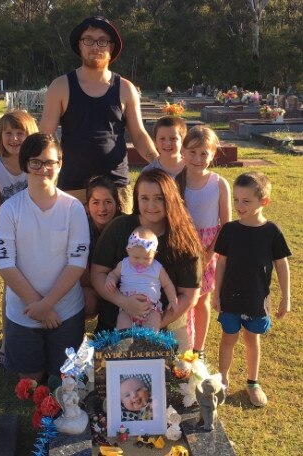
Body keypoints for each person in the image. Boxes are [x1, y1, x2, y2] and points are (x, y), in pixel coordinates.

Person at [0, 133, 90, 382]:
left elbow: (77, 263)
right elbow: (5, 264)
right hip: (24, 312)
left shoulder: (73, 208)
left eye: (50, 162)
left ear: (60, 164)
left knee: (63, 382)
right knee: (32, 381)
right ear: (25, 164)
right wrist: (37, 307)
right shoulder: (9, 209)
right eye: (35, 162)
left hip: (65, 310)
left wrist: (47, 305)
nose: (43, 169)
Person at [39, 16, 159, 213]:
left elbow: (138, 134)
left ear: (111, 48)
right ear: (80, 45)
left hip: (116, 186)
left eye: (102, 41)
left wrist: (159, 163)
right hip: (73, 186)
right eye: (88, 39)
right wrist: (42, 169)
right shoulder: (60, 86)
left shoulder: (126, 89)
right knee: (74, 244)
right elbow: (45, 136)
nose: (95, 46)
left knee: (119, 243)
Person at [91, 169, 203, 351]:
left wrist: (153, 323)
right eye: (144, 198)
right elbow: (98, 274)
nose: (151, 205)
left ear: (170, 199)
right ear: (136, 199)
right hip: (117, 321)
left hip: (167, 325)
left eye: (159, 198)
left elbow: (189, 296)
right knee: (107, 375)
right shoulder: (118, 228)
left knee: (178, 376)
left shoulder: (185, 239)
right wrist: (124, 302)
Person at [212, 172, 291, 407]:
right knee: (228, 338)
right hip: (230, 299)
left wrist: (286, 297)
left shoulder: (272, 232)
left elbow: (282, 265)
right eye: (236, 200)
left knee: (251, 339)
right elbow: (221, 263)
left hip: (256, 299)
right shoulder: (229, 230)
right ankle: (222, 379)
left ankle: (253, 382)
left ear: (263, 201)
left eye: (246, 201)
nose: (239, 206)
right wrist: (216, 293)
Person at [0, 110, 38, 366]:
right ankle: (7, 341)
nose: (15, 138)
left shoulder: (36, 164)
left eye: (21, 132)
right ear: (0, 136)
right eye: (9, 133)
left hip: (39, 233)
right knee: (11, 287)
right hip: (11, 236)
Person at [176, 126, 231, 359]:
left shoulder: (218, 183)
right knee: (183, 299)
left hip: (210, 246)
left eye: (204, 154)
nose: (198, 159)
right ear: (183, 151)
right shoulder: (175, 181)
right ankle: (183, 346)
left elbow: (225, 224)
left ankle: (199, 349)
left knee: (202, 299)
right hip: (182, 245)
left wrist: (209, 253)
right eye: (192, 152)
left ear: (212, 154)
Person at [105, 226, 178, 330]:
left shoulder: (157, 267)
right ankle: (124, 343)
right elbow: (114, 274)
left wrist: (172, 299)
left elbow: (167, 284)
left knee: (153, 325)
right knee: (122, 325)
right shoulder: (124, 264)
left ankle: (148, 343)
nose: (141, 262)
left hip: (151, 308)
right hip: (127, 307)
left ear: (154, 254)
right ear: (128, 250)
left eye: (147, 258)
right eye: (136, 257)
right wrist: (110, 279)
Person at [80, 175, 122, 319]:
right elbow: (81, 276)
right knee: (86, 300)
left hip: (120, 288)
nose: (102, 209)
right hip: (92, 287)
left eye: (108, 202)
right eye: (96, 202)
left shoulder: (125, 227)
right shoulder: (80, 227)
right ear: (87, 206)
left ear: (117, 204)